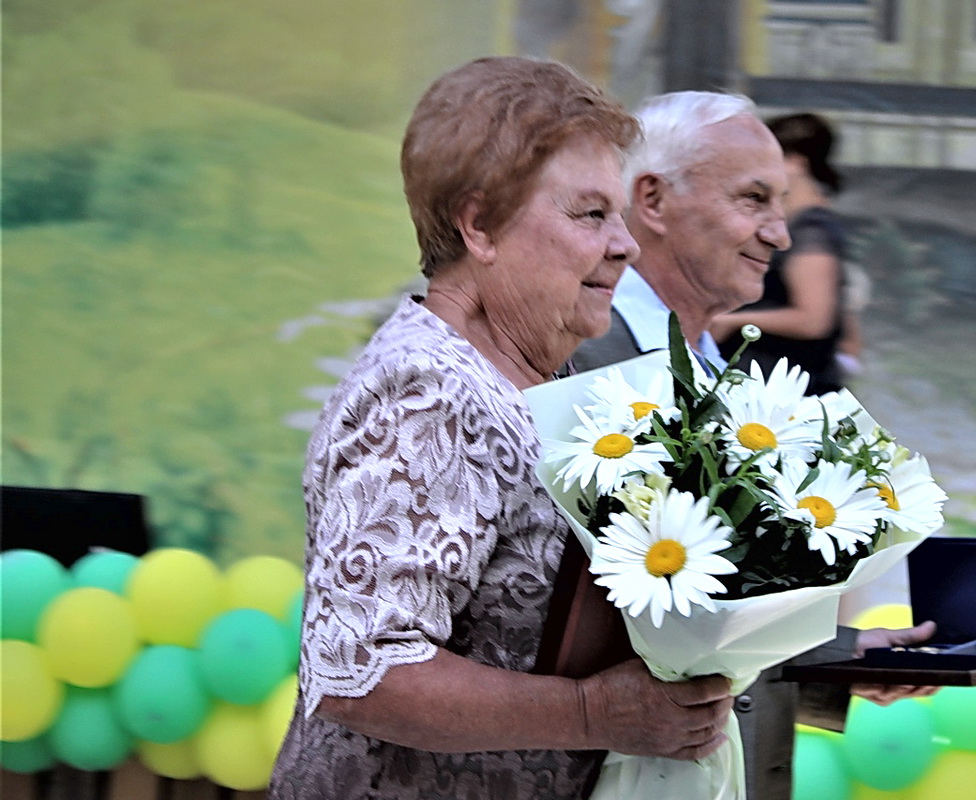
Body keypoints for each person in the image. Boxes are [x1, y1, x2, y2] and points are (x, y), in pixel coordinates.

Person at [268, 57, 737, 800]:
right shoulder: (426, 391)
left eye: (618, 215)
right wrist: (593, 714)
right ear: (479, 225)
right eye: (590, 215)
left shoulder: (545, 379)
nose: (626, 245)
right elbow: (364, 670)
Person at [567, 92, 936, 800]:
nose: (781, 233)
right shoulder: (580, 359)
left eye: (783, 202)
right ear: (653, 198)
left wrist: (841, 660)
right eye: (754, 200)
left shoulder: (731, 378)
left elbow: (718, 624)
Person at [710, 112, 851, 396]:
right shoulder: (798, 224)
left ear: (797, 163)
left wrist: (733, 321)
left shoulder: (813, 231)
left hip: (794, 391)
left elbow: (814, 319)